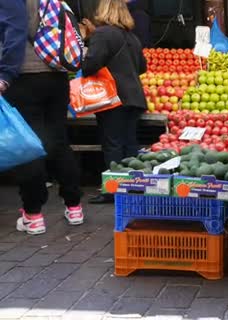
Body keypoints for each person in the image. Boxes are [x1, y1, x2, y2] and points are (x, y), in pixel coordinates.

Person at [1, 0, 85, 235]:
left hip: (24, 77)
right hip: (56, 77)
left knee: (28, 146)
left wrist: (5, 74)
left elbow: (15, 32)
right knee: (58, 140)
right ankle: (74, 205)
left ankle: (33, 214)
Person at [81, 0, 147, 204]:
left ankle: (113, 190)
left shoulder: (102, 34)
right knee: (129, 143)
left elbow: (91, 64)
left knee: (112, 144)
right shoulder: (133, 37)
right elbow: (142, 67)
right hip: (134, 97)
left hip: (113, 97)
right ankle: (135, 187)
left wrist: (86, 47)